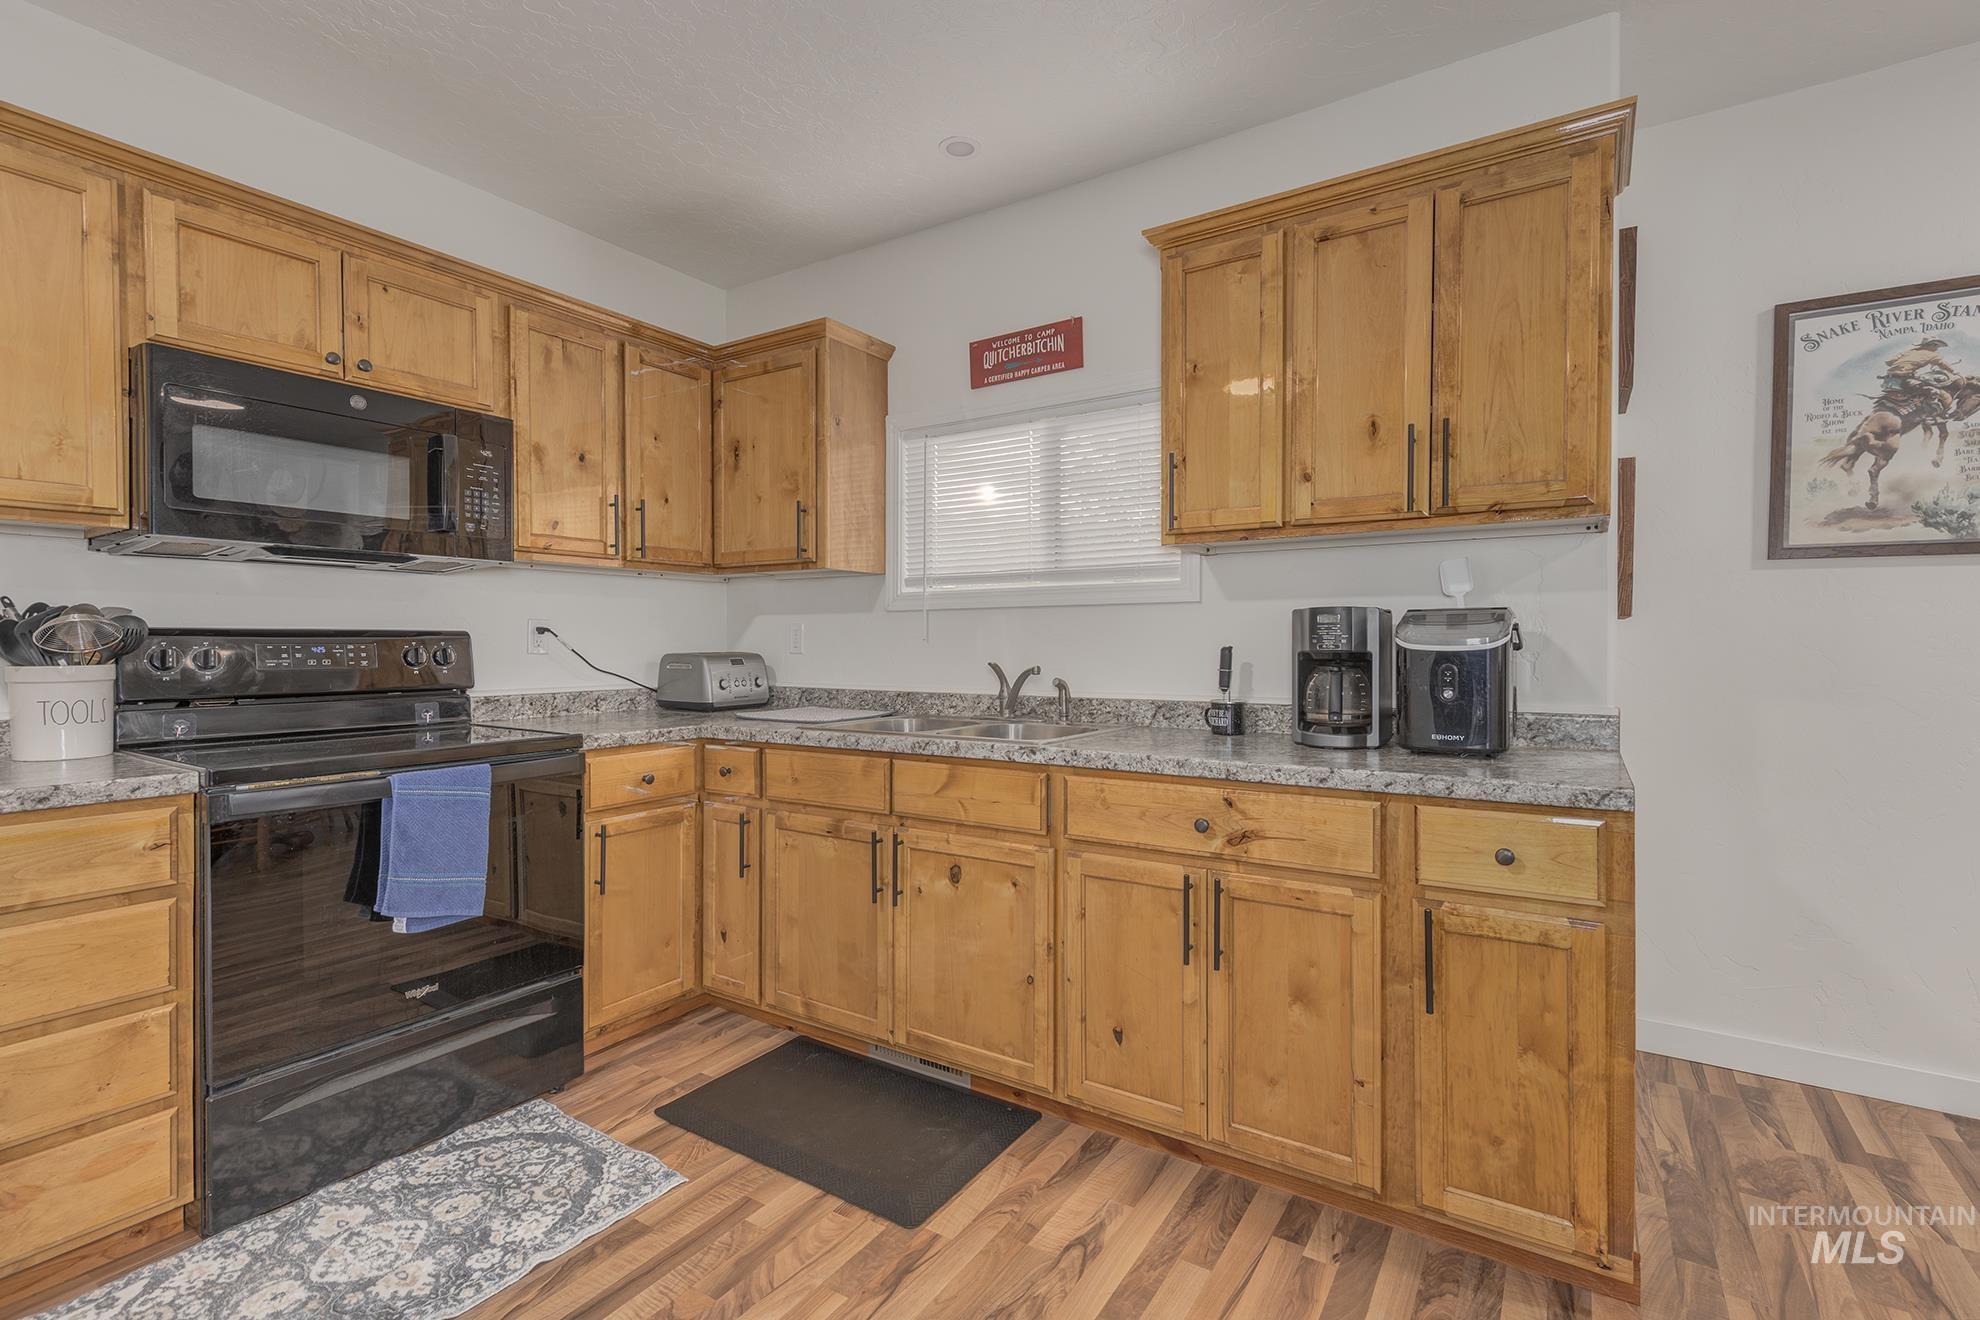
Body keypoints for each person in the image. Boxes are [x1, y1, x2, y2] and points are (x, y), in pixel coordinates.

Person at [1881, 337, 1960, 418]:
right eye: (1936, 346)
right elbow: (1942, 364)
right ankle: (1939, 417)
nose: (1937, 349)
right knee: (1945, 396)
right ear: (1932, 345)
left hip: (1889, 380)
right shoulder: (1933, 355)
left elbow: (1889, 362)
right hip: (1905, 380)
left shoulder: (1911, 351)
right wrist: (1954, 372)